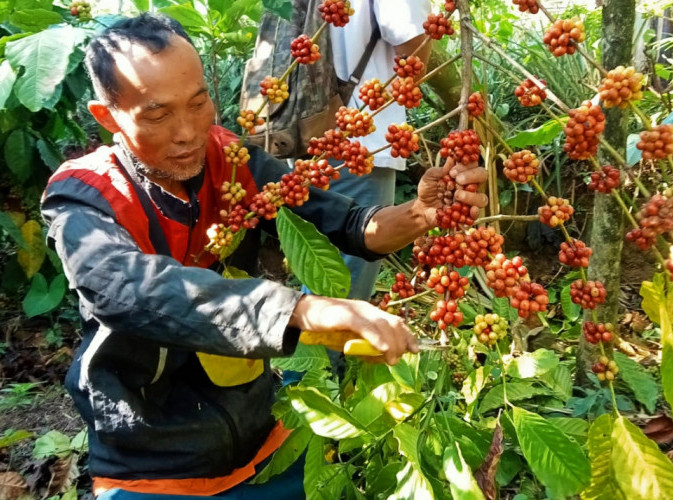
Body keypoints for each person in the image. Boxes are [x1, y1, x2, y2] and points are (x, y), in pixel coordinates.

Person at [40, 13, 488, 499]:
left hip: (260, 438)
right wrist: (300, 308)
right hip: (151, 460)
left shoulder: (232, 162)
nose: (188, 131)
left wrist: (419, 214)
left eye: (199, 103)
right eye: (157, 114)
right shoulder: (85, 193)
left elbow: (348, 225)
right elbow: (124, 288)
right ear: (107, 116)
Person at [315, 0, 432, 301]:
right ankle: (327, 350)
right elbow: (412, 57)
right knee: (341, 293)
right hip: (360, 146)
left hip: (308, 133)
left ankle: (309, 349)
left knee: (319, 271)